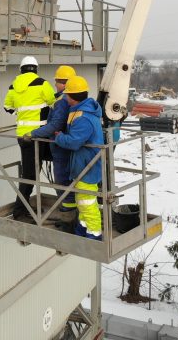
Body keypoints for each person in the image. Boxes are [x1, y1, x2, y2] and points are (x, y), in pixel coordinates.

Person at [3, 56, 56, 220]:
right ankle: (20, 210)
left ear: (21, 69)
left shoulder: (13, 86)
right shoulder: (42, 83)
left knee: (31, 172)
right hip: (40, 136)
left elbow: (7, 107)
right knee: (31, 175)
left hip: (23, 137)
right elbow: (53, 102)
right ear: (36, 68)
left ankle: (23, 207)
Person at [54, 75, 103, 240]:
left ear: (73, 97)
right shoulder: (79, 110)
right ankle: (83, 228)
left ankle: (94, 234)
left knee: (87, 203)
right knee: (83, 201)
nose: (65, 97)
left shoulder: (83, 118)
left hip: (87, 167)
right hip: (83, 164)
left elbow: (74, 142)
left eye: (67, 95)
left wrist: (59, 137)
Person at [26, 65, 76, 218]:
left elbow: (55, 125)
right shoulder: (63, 98)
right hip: (62, 145)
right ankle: (68, 206)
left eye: (57, 81)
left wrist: (33, 133)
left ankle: (68, 211)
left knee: (62, 178)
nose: (55, 84)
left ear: (64, 82)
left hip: (60, 147)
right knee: (64, 178)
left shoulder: (62, 101)